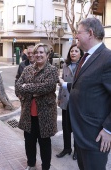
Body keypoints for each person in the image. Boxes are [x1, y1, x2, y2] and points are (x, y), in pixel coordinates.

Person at [59, 18, 111, 170]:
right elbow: (83, 87)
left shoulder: (107, 58)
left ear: (90, 33)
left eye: (78, 33)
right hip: (81, 134)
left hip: (95, 138)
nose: (75, 36)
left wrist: (108, 129)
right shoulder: (86, 57)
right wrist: (64, 85)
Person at [15, 43, 59, 170]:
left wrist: (27, 87)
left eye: (41, 52)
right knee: (29, 141)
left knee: (44, 142)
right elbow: (18, 85)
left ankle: (46, 167)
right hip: (28, 112)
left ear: (47, 55)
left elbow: (47, 87)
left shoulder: (52, 70)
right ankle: (31, 163)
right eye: (36, 53)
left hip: (45, 113)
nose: (38, 55)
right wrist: (33, 89)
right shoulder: (27, 69)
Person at [56, 44, 84, 160]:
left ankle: (77, 151)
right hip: (66, 100)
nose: (73, 53)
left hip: (78, 102)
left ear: (81, 54)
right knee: (66, 127)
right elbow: (62, 82)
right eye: (71, 51)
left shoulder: (84, 66)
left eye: (76, 51)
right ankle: (67, 148)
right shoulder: (65, 65)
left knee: (76, 128)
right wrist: (59, 98)